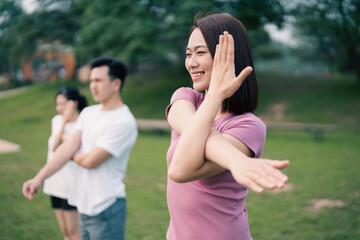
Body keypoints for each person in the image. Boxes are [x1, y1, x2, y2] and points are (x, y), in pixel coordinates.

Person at [165, 12, 290, 239]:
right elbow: (193, 128)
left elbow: (180, 170)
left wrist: (214, 95)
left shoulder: (249, 127)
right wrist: (236, 160)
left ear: (229, 57)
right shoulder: (185, 98)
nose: (191, 63)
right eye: (188, 54)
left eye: (201, 53)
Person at [23, 57, 138, 240]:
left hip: (106, 208)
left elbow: (91, 161)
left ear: (116, 83)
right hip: (83, 205)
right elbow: (67, 147)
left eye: (98, 80)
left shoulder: (123, 121)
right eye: (91, 80)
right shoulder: (88, 113)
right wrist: (38, 178)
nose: (93, 85)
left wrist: (72, 153)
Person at [43, 86, 87, 240]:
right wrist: (64, 123)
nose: (59, 108)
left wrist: (66, 124)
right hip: (54, 182)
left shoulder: (83, 124)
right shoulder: (56, 121)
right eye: (57, 104)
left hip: (71, 184)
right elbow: (55, 146)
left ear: (74, 103)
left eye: (63, 103)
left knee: (75, 233)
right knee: (66, 232)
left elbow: (59, 148)